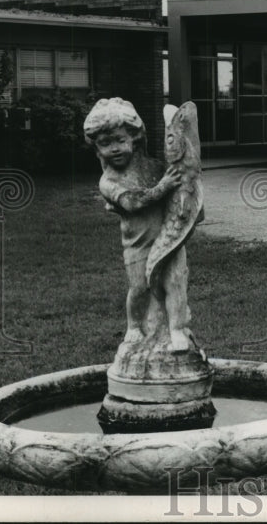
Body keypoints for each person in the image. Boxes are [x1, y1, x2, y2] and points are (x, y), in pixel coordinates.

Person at [83, 98, 191, 351]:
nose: (115, 148)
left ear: (134, 138)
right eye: (105, 143)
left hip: (169, 237)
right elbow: (133, 202)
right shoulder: (108, 181)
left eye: (121, 140)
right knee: (139, 287)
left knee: (175, 281)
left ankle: (177, 330)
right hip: (138, 244)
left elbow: (181, 191)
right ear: (97, 150)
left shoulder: (155, 167)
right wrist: (162, 188)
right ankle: (134, 326)